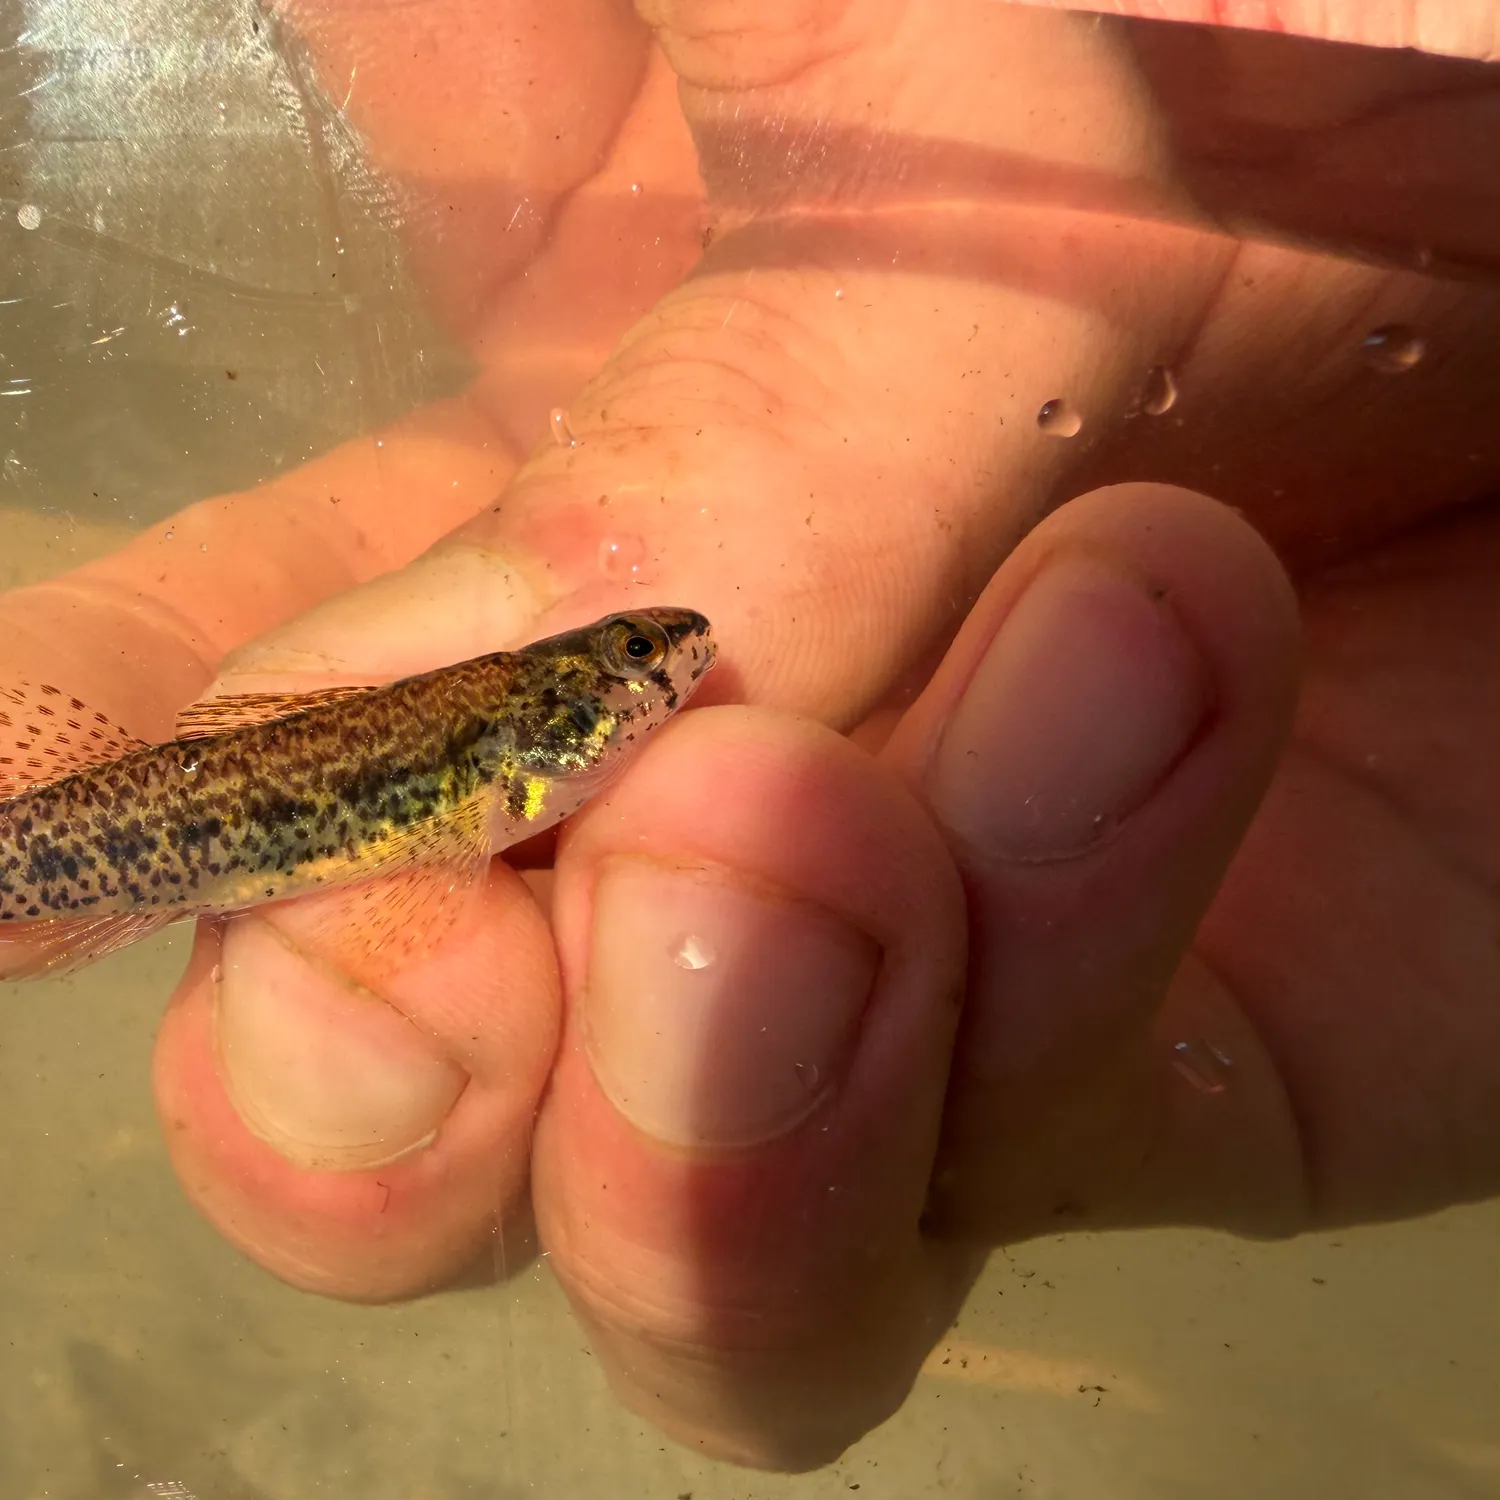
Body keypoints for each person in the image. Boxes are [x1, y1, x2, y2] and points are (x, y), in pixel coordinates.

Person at [2, 0, 1495, 1471]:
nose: (671, 663)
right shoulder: (506, 753)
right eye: (634, 661)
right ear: (552, 722)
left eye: (643, 655)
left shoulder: (525, 757)